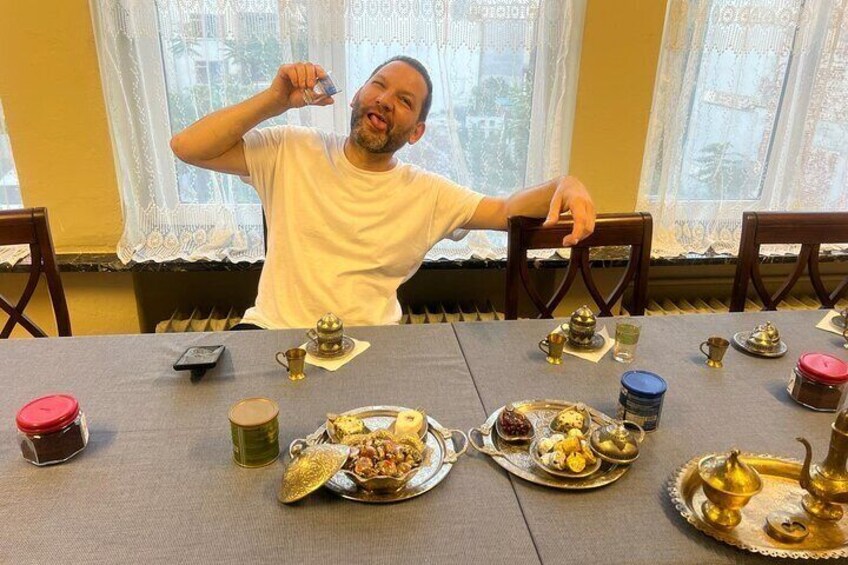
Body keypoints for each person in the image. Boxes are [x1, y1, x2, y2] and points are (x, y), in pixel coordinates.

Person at [170, 56, 596, 329]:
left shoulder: (426, 192)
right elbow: (187, 147)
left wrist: (565, 184)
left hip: (370, 350)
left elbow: (504, 210)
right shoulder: (291, 148)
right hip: (271, 336)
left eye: (406, 100)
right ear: (357, 95)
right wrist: (273, 100)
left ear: (416, 132)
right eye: (379, 85)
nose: (387, 100)